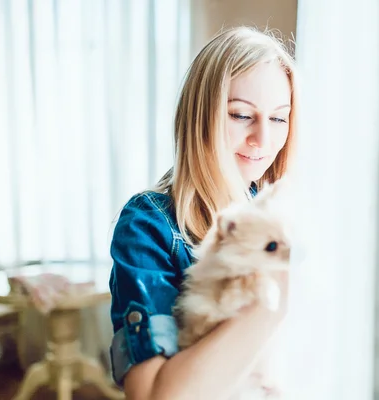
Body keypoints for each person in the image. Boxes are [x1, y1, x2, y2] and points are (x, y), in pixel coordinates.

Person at [108, 26, 297, 400]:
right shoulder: (148, 225)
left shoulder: (283, 207)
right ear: (200, 116)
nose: (263, 139)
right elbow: (149, 395)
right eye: (242, 115)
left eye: (278, 118)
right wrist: (272, 300)